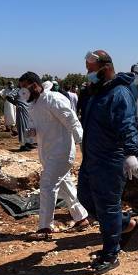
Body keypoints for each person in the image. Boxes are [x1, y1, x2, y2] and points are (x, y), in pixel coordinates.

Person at [78, 50, 138, 273]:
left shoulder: (119, 93)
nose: (88, 73)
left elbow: (127, 123)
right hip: (92, 159)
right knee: (84, 197)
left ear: (105, 68)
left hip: (111, 160)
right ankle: (127, 224)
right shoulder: (98, 92)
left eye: (91, 69)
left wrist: (131, 152)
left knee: (107, 207)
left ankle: (111, 254)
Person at [18, 72, 89, 240]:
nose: (22, 91)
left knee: (48, 185)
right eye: (20, 88)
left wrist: (83, 144)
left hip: (61, 152)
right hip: (47, 153)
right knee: (65, 185)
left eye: (24, 87)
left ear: (35, 85)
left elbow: (72, 121)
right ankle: (82, 217)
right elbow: (38, 127)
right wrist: (32, 132)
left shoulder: (53, 99)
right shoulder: (34, 104)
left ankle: (45, 228)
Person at [4, 86, 35, 151]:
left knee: (29, 127)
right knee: (22, 127)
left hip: (28, 111)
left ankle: (29, 143)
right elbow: (8, 97)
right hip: (21, 111)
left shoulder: (28, 90)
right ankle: (23, 145)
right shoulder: (17, 90)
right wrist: (16, 104)